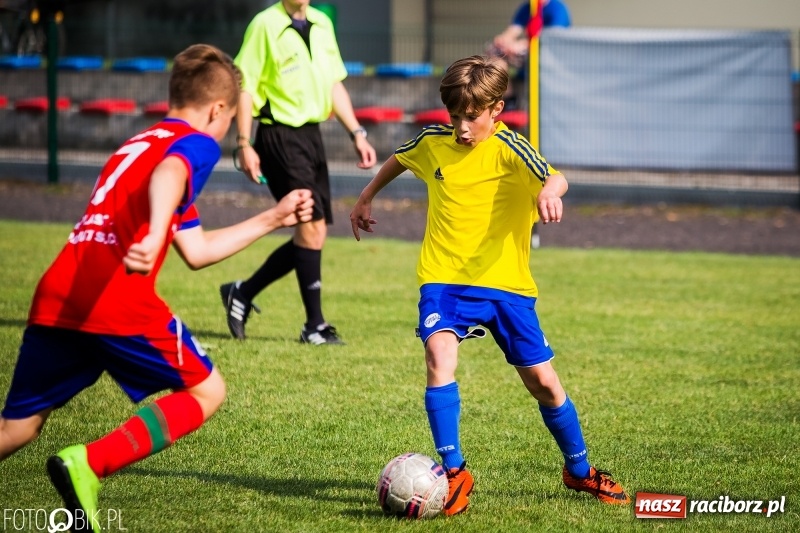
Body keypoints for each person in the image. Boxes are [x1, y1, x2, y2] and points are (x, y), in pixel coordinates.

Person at [0, 43, 314, 531]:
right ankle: (91, 463)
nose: (226, 129)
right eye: (229, 119)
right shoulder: (193, 145)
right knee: (207, 390)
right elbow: (172, 174)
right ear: (217, 110)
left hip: (59, 291)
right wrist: (151, 233)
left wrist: (273, 217)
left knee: (16, 427)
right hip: (115, 296)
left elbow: (197, 251)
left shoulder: (136, 144)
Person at [349, 55, 629, 516]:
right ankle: (455, 471)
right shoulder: (434, 142)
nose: (461, 127)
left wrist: (545, 193)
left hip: (505, 285)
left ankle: (579, 470)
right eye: (454, 115)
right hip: (444, 279)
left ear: (496, 109)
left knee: (543, 383)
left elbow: (556, 178)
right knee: (438, 355)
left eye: (471, 116)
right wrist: (365, 196)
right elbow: (400, 158)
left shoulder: (511, 149)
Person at [220, 0, 377, 345]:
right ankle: (314, 326)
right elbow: (245, 87)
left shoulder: (322, 22)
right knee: (310, 225)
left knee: (314, 232)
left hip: (311, 136)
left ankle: (242, 293)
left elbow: (335, 84)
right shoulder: (264, 24)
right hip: (278, 136)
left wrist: (357, 133)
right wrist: (244, 142)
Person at [488, 0, 571, 107]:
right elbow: (513, 30)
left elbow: (551, 39)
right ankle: (508, 97)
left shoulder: (557, 8)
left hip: (550, 55)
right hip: (527, 52)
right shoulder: (527, 7)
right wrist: (503, 41)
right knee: (494, 50)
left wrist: (521, 45)